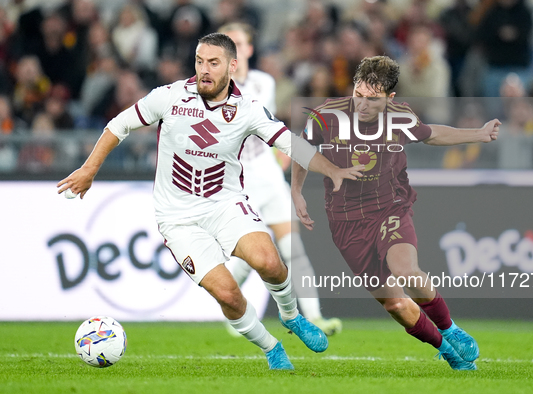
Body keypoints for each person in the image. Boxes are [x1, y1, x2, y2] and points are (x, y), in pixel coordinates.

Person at [57, 33, 364, 370]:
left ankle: (291, 317)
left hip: (225, 204)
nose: (204, 69)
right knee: (229, 294)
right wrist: (89, 169)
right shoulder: (170, 97)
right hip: (178, 218)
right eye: (199, 61)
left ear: (232, 66)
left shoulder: (247, 110)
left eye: (213, 63)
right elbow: (120, 124)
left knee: (270, 262)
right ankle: (271, 348)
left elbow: (288, 143)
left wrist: (332, 170)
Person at [291, 56, 501, 371]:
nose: (362, 105)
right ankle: (447, 350)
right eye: (358, 95)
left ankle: (449, 327)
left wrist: (479, 134)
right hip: (346, 221)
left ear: (389, 99)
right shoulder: (326, 115)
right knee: (397, 304)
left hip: (390, 208)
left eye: (372, 100)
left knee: (405, 270)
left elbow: (431, 134)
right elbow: (301, 149)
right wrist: (296, 191)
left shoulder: (400, 117)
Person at [218, 22, 343, 336]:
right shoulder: (213, 87)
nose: (233, 48)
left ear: (248, 49)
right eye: (227, 43)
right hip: (236, 180)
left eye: (239, 42)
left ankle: (315, 317)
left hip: (267, 173)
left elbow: (262, 122)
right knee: (254, 253)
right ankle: (234, 313)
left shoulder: (264, 83)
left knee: (292, 248)